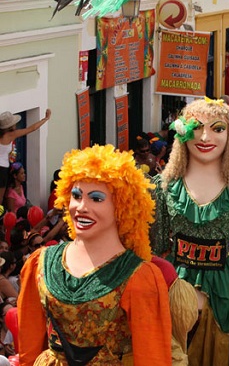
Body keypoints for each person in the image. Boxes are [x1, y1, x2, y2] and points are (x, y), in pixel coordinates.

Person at [150, 99, 229, 365]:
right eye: (196, 127)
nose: (205, 137)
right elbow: (153, 249)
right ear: (182, 132)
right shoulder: (163, 186)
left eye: (218, 128)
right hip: (174, 292)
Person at [18, 144, 172, 365]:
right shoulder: (40, 262)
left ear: (122, 205)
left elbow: (152, 356)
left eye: (96, 198)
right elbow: (28, 347)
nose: (81, 206)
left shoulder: (139, 276)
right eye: (76, 195)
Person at [0, 109, 51, 204]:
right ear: (10, 126)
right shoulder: (11, 135)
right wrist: (45, 119)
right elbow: (32, 128)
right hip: (2, 169)